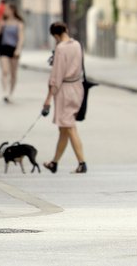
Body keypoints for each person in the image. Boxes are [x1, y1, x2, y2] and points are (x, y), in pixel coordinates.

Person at [41, 21, 87, 174]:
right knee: (64, 128)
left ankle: (82, 163)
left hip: (65, 89)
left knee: (69, 126)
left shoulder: (60, 49)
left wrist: (48, 98)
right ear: (66, 30)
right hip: (77, 86)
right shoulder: (77, 44)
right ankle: (54, 162)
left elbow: (57, 75)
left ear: (55, 35)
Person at [0, 3, 25, 103]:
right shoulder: (3, 22)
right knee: (5, 71)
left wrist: (18, 49)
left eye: (7, 9)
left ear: (12, 10)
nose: (5, 11)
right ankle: (5, 92)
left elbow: (21, 38)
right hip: (3, 48)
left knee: (13, 73)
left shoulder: (19, 23)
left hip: (14, 49)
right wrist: (0, 26)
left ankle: (11, 93)